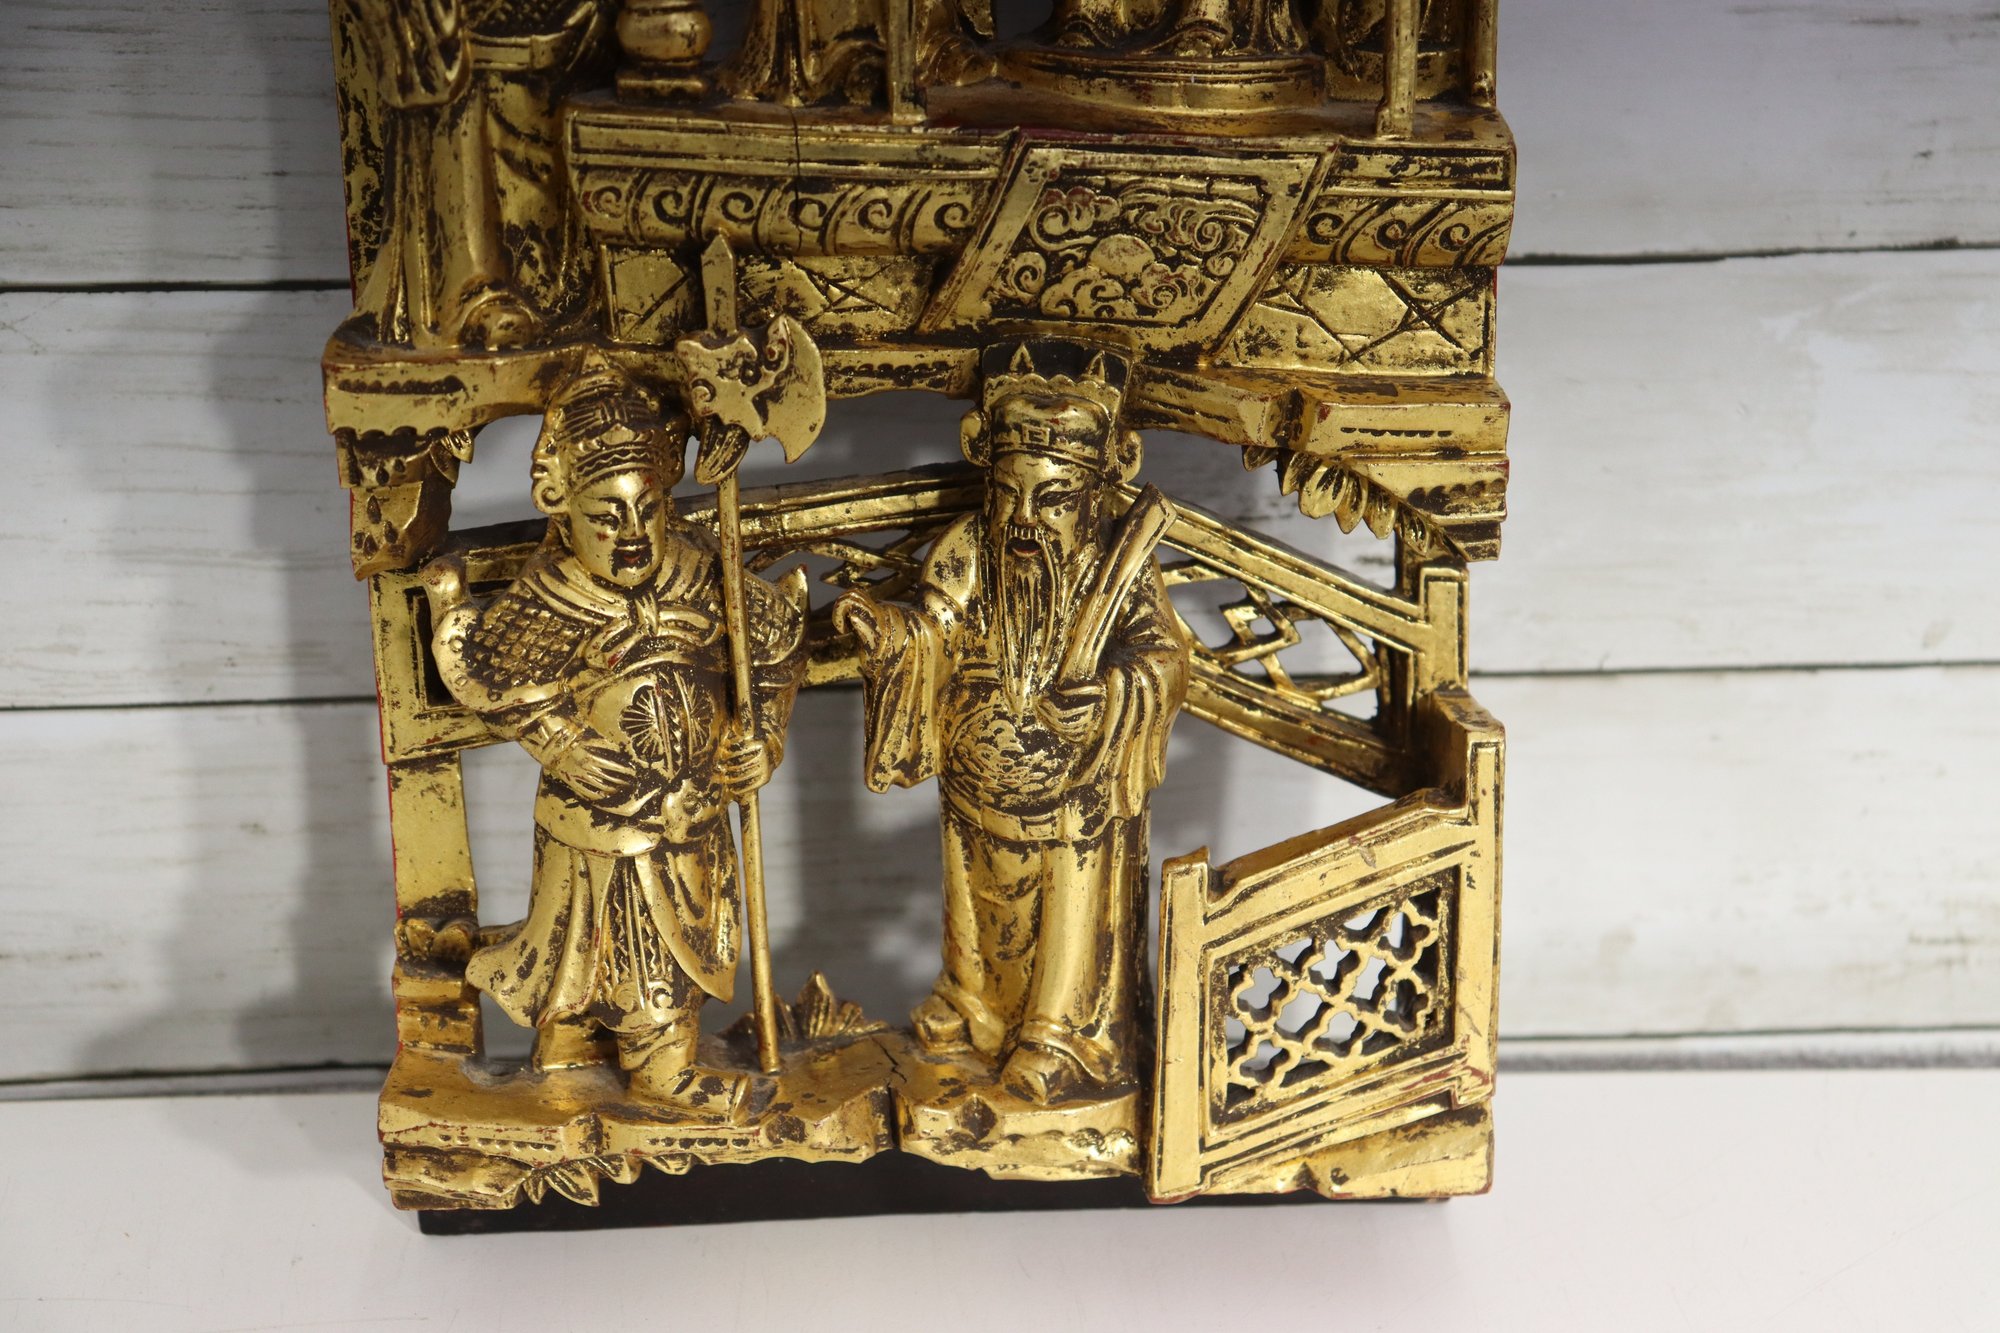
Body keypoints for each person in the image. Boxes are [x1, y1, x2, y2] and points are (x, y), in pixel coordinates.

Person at [426, 355, 806, 1117]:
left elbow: (772, 647)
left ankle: (603, 1053)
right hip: (607, 823)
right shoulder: (554, 595)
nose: (633, 534)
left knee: (687, 942)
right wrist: (560, 741)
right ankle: (659, 1071)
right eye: (608, 516)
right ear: (563, 509)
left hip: (698, 811)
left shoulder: (701, 570)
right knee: (626, 949)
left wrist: (761, 734)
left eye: (649, 509)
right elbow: (484, 670)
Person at [835, 341, 1190, 1106]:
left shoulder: (1119, 566)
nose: (1024, 519)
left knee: (1068, 905)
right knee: (973, 904)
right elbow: (931, 627)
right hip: (978, 778)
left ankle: (1058, 1034)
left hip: (1073, 789)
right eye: (1009, 494)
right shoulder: (969, 549)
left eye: (1052, 498)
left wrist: (1111, 696)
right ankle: (972, 1004)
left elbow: (1164, 657)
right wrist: (888, 635)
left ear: (1092, 494)